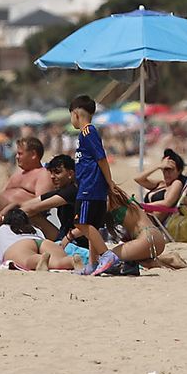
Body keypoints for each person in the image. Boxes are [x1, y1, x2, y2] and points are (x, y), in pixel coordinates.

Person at [64, 94, 122, 274]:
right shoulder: (86, 134)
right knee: (92, 226)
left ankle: (106, 255)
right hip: (90, 186)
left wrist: (109, 182)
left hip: (90, 187)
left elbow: (101, 158)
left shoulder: (88, 132)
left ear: (75, 114)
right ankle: (93, 263)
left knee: (81, 223)